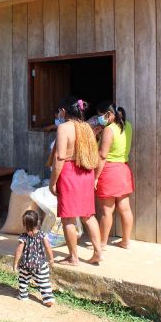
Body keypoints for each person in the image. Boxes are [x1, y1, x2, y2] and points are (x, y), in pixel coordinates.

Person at [49, 96, 103, 266]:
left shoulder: (64, 128)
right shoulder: (87, 127)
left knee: (68, 218)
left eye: (59, 112)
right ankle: (97, 253)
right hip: (86, 172)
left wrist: (52, 182)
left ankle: (73, 257)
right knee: (88, 215)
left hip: (69, 172)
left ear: (64, 111)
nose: (58, 114)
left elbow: (60, 158)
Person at [94, 101, 134, 250]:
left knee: (106, 210)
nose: (99, 119)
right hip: (123, 170)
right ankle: (126, 241)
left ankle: (102, 244)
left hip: (109, 171)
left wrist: (96, 177)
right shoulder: (127, 125)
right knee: (125, 208)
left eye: (100, 116)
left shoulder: (109, 130)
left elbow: (102, 155)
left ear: (109, 114)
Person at [13, 210, 55, 307]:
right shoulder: (42, 235)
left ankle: (23, 296)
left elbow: (18, 251)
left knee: (23, 280)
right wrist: (51, 259)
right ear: (38, 222)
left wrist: (15, 263)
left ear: (24, 225)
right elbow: (48, 247)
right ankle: (48, 299)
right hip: (40, 265)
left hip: (25, 265)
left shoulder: (23, 237)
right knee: (44, 282)